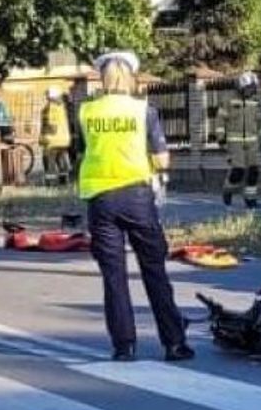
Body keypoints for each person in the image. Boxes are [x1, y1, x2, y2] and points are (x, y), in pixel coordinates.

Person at [76, 50, 192, 363]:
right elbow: (160, 158)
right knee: (154, 270)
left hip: (100, 199)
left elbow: (82, 150)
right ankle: (174, 343)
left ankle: (124, 346)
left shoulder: (86, 111)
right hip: (137, 197)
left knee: (114, 277)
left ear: (102, 79)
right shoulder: (144, 111)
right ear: (131, 77)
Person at [215, 71, 261, 209]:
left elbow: (260, 122)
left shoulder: (255, 101)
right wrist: (220, 137)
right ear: (241, 87)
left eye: (253, 88)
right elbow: (220, 120)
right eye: (249, 88)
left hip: (253, 141)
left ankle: (250, 200)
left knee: (253, 170)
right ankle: (228, 192)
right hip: (234, 141)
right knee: (238, 170)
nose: (251, 91)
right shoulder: (228, 99)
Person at [39, 86, 72, 185]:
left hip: (52, 140)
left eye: (47, 96)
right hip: (63, 140)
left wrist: (43, 135)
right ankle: (64, 181)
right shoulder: (62, 107)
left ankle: (50, 182)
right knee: (61, 161)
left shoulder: (50, 107)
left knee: (49, 162)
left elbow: (51, 126)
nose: (46, 98)